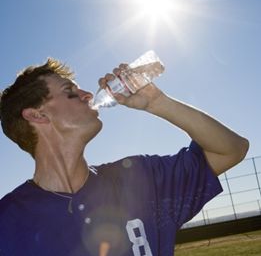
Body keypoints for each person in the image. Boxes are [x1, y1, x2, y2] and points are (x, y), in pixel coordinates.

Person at [0, 57, 249, 256]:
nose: (88, 95)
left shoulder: (139, 179)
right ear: (37, 116)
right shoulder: (7, 223)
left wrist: (157, 102)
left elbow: (231, 149)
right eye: (70, 92)